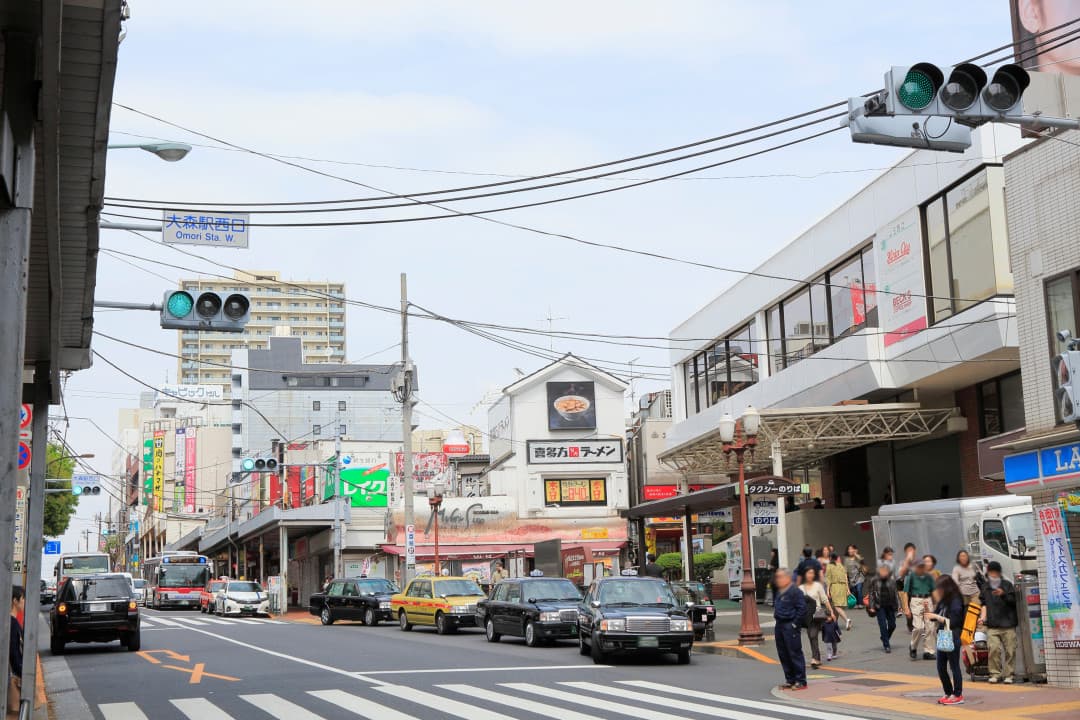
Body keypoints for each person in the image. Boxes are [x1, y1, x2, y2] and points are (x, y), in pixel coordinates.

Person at [923, 575, 966, 705]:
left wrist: (936, 616)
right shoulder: (943, 601)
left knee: (954, 666)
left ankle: (957, 694)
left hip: (952, 635)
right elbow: (934, 617)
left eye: (940, 588)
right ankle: (948, 692)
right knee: (941, 666)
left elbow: (954, 621)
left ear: (947, 587)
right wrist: (927, 610)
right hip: (943, 635)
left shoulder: (956, 600)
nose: (938, 591)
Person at [979, 561, 1018, 684]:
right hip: (992, 624)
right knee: (994, 649)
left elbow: (1014, 601)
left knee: (1010, 650)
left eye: (995, 572)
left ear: (1000, 573)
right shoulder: (985, 587)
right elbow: (983, 603)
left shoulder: (1007, 585)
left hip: (1008, 624)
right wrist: (982, 617)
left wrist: (1004, 594)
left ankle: (1009, 674)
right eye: (991, 572)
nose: (993, 575)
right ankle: (995, 673)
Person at [772, 567, 807, 691]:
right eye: (777, 577)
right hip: (779, 624)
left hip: (790, 624)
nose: (778, 579)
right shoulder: (779, 591)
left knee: (794, 653)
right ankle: (790, 679)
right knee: (783, 653)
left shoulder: (795, 591)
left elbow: (802, 609)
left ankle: (801, 680)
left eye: (780, 576)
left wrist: (795, 624)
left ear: (787, 577)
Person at [799, 566, 833, 669]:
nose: (810, 575)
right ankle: (817, 658)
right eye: (809, 573)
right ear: (805, 574)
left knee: (813, 634)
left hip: (817, 614)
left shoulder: (817, 585)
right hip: (806, 616)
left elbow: (824, 599)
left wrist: (831, 612)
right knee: (811, 635)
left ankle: (814, 658)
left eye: (812, 573)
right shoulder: (800, 588)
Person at [903, 559, 937, 660]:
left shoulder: (929, 577)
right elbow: (905, 593)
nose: (921, 568)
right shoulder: (911, 576)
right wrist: (906, 608)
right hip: (916, 600)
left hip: (928, 599)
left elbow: (934, 591)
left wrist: (938, 605)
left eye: (923, 566)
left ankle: (928, 651)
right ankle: (913, 647)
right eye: (919, 566)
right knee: (918, 627)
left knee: (931, 627)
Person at [865, 564, 899, 653]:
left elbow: (895, 594)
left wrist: (898, 606)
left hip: (890, 605)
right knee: (883, 625)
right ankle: (886, 645)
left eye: (885, 571)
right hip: (879, 606)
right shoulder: (874, 580)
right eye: (882, 571)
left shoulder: (892, 581)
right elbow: (871, 594)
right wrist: (872, 606)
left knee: (892, 625)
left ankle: (884, 637)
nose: (884, 572)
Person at [825, 554, 853, 630]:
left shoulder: (829, 566)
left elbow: (828, 579)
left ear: (831, 558)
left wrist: (827, 591)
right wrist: (848, 589)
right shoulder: (841, 566)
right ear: (837, 558)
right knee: (837, 606)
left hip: (835, 587)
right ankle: (835, 624)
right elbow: (846, 578)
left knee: (836, 606)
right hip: (843, 587)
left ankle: (846, 619)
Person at [9, 586, 24, 718]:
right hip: (14, 675)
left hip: (12, 673)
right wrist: (21, 672)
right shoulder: (12, 624)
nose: (24, 602)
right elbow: (13, 652)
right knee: (15, 712)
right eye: (23, 599)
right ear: (15, 601)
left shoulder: (10, 622)